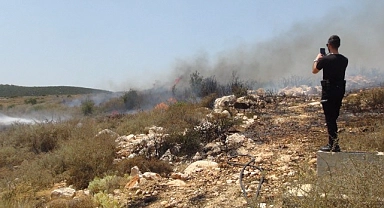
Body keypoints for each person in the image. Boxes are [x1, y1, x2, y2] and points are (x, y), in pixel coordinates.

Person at [312, 35, 348, 152]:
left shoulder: (325, 60)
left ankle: (333, 144)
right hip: (339, 91)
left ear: (329, 46)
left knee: (330, 119)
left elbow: (314, 70)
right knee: (334, 117)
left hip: (328, 92)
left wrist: (317, 59)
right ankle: (333, 143)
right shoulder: (344, 60)